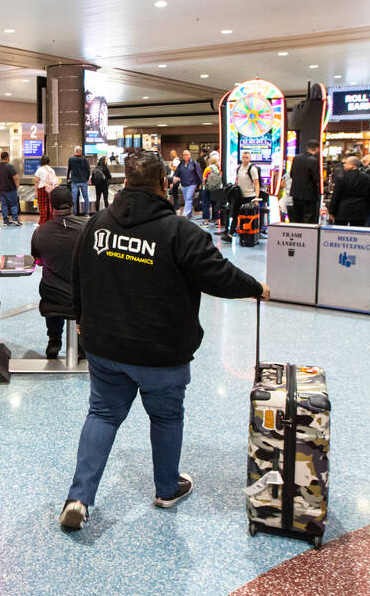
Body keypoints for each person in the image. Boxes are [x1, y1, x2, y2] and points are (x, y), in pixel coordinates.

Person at [58, 150, 268, 531]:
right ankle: (166, 489)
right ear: (162, 183)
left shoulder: (98, 224)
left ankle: (78, 498)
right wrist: (256, 287)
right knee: (166, 417)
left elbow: (77, 274)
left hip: (105, 345)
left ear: (126, 181)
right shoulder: (180, 232)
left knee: (102, 414)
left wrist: (80, 320)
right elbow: (218, 276)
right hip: (161, 352)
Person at [30, 186, 87, 359]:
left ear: (51, 205)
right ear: (71, 204)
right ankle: (81, 341)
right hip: (82, 295)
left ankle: (54, 338)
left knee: (49, 285)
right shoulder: (87, 228)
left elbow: (38, 260)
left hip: (53, 294)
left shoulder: (40, 231)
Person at [222, 151, 261, 242]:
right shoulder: (239, 168)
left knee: (247, 216)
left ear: (250, 158)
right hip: (239, 196)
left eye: (247, 157)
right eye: (244, 157)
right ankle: (230, 235)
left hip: (249, 196)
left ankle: (248, 235)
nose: (245, 159)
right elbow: (237, 180)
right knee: (235, 215)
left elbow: (256, 183)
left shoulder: (252, 169)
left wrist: (256, 197)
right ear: (241, 158)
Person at [328, 156, 370, 226]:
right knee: (357, 234)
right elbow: (369, 197)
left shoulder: (341, 177)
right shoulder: (368, 178)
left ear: (351, 165)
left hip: (342, 210)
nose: (344, 166)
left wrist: (332, 212)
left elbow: (336, 196)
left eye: (345, 164)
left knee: (340, 233)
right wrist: (367, 210)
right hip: (360, 210)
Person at [288, 140, 321, 223]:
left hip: (296, 192)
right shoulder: (314, 160)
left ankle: (296, 235)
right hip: (308, 194)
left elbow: (291, 174)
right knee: (308, 218)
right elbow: (316, 179)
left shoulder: (296, 158)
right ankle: (307, 236)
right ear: (317, 148)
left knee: (296, 217)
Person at [172, 149, 202, 217]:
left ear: (189, 155)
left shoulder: (194, 163)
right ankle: (190, 214)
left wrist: (201, 183)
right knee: (187, 199)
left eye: (186, 155)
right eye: (184, 155)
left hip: (192, 183)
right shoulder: (181, 164)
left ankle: (185, 214)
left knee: (188, 198)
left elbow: (198, 173)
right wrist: (174, 178)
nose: (185, 156)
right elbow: (177, 172)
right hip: (184, 184)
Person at [33, 155, 59, 225]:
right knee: (50, 205)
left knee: (43, 206)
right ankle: (50, 221)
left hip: (42, 189)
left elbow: (36, 181)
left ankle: (42, 222)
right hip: (51, 189)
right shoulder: (51, 170)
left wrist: (36, 191)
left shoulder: (40, 169)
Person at [0, 151, 20, 226]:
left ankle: (5, 221)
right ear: (7, 157)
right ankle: (15, 219)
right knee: (13, 204)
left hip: (1, 189)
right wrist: (17, 185)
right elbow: (15, 177)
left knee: (4, 205)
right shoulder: (10, 166)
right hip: (10, 189)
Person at [200, 153, 223, 228]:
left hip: (207, 189)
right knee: (215, 205)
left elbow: (204, 179)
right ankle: (216, 222)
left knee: (206, 204)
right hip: (216, 189)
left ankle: (206, 222)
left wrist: (203, 185)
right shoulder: (218, 169)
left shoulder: (208, 168)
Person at [67, 146, 91, 216]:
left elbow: (69, 169)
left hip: (74, 181)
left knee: (74, 198)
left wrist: (68, 177)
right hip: (83, 181)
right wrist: (86, 178)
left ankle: (74, 213)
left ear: (75, 151)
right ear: (81, 151)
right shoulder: (85, 160)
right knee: (86, 197)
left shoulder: (71, 159)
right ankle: (86, 213)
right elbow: (88, 170)